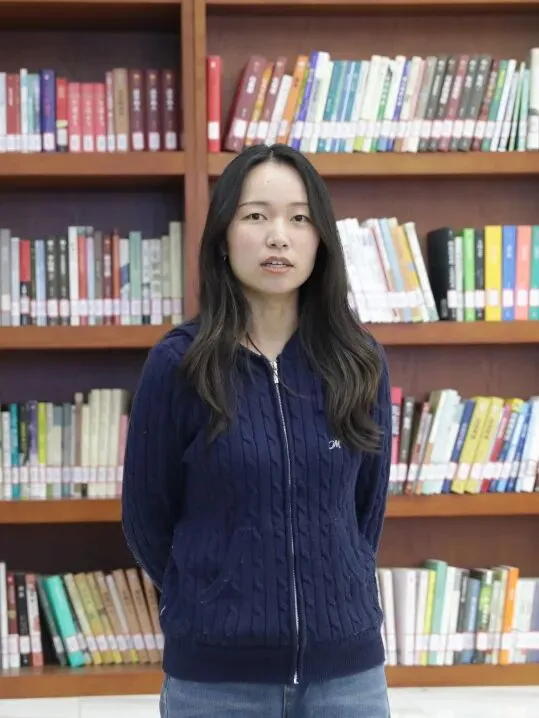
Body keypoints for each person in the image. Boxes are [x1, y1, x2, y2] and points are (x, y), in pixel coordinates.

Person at [121, 143, 392, 717]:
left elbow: (365, 511)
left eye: (299, 218)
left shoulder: (359, 361)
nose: (278, 237)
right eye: (256, 216)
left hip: (347, 678)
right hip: (215, 681)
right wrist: (210, 597)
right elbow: (147, 517)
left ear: (321, 239)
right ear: (223, 235)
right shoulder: (179, 364)